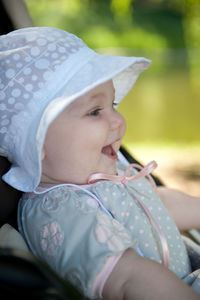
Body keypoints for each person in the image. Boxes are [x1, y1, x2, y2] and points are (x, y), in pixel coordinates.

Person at [0, 27, 200, 300]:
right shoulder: (61, 211)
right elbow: (129, 278)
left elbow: (157, 204)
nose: (119, 121)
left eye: (114, 104)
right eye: (95, 111)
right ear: (37, 142)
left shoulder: (99, 172)